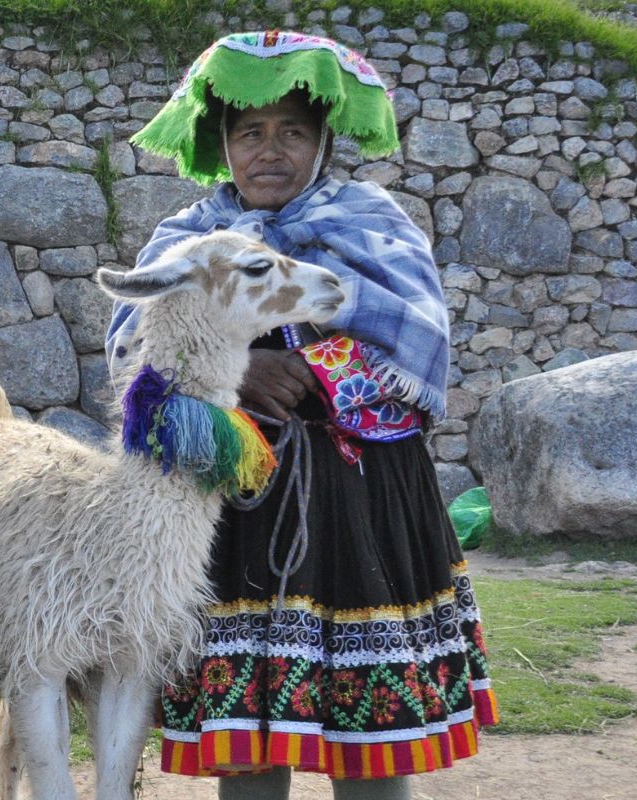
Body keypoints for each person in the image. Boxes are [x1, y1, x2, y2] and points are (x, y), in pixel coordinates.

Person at [113, 31, 496, 800]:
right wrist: (242, 369)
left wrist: (317, 366)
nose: (271, 150)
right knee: (251, 733)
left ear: (322, 142)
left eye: (293, 131)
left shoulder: (368, 221)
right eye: (251, 132)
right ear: (224, 145)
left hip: (364, 499)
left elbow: (420, 336)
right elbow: (136, 349)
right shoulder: (190, 241)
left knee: (373, 735)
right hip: (240, 505)